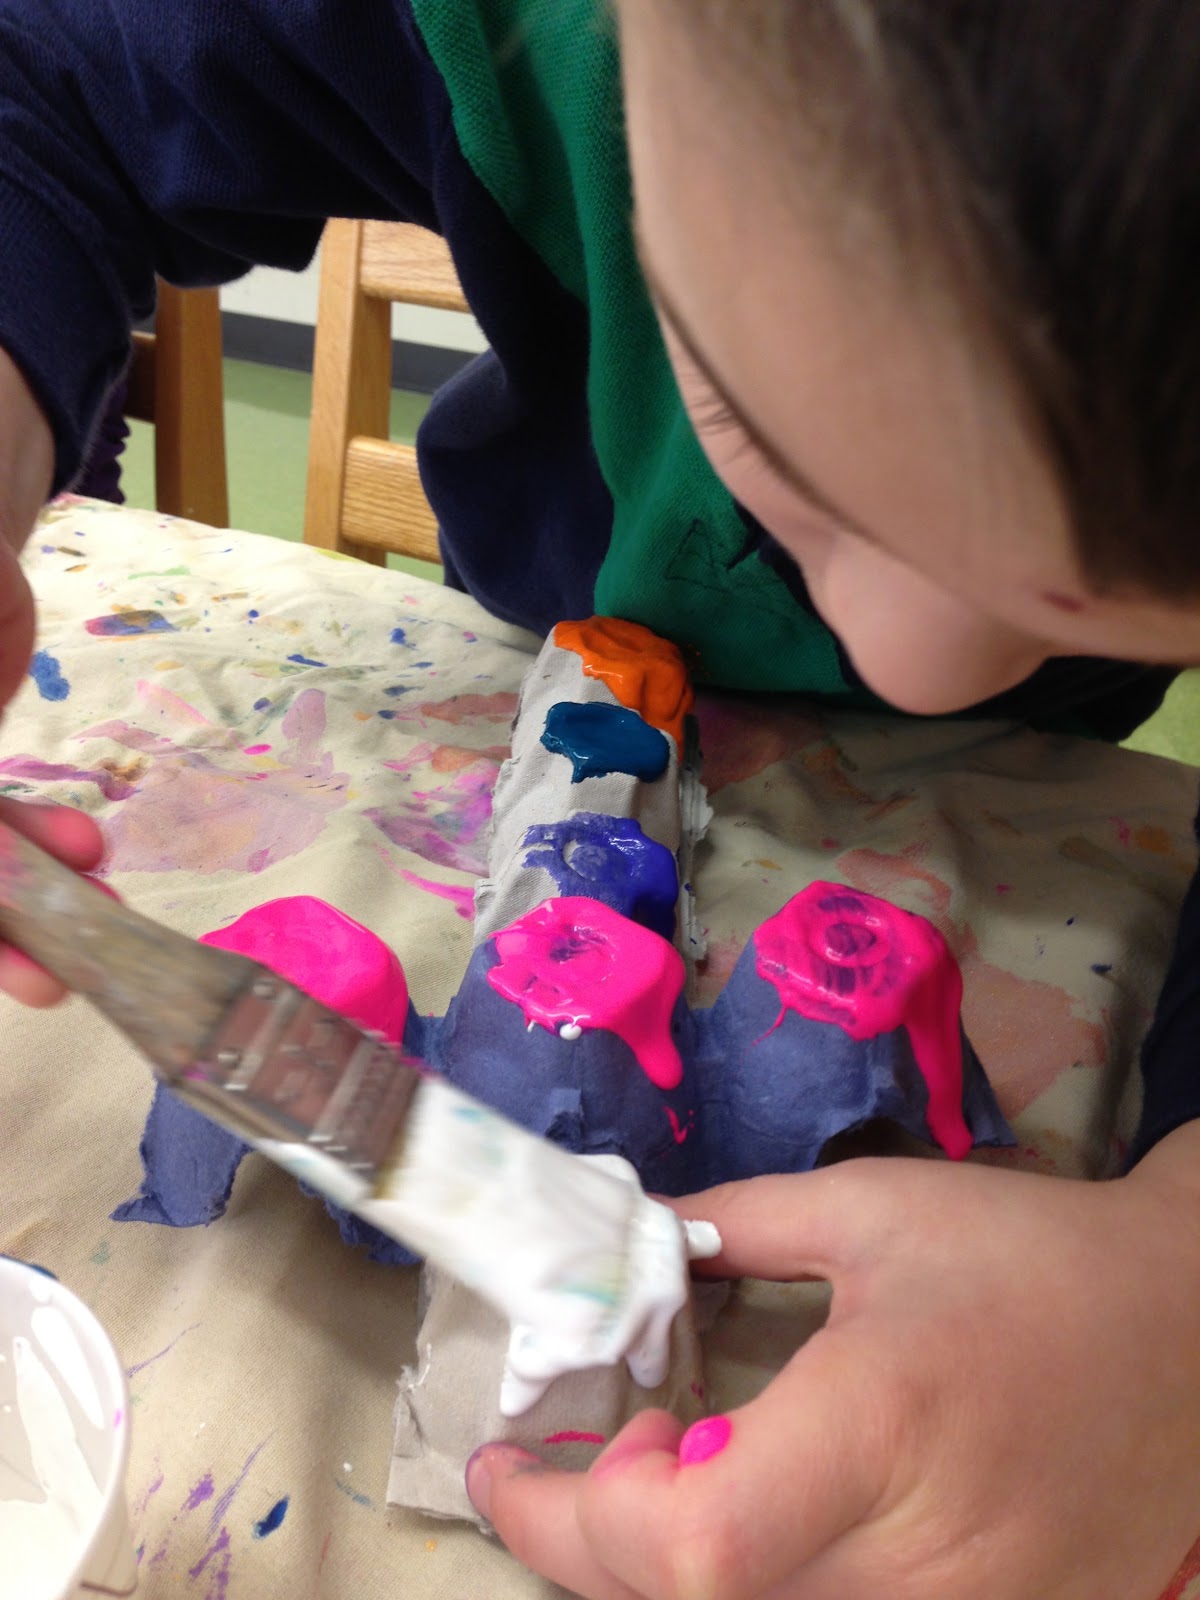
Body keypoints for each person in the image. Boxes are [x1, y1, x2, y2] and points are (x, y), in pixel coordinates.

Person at [1, 2, 1199, 1594]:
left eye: (1108, 602)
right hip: (540, 638)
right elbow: (46, 85)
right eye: (771, 431)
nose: (912, 663)